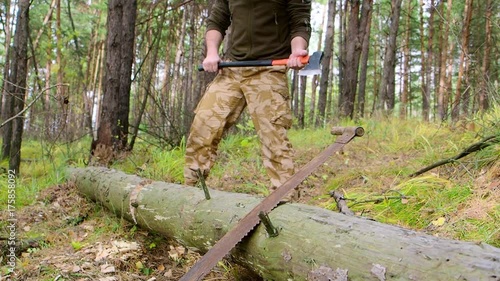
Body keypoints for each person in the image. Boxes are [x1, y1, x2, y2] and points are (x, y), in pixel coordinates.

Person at [184, 0, 312, 198]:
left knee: (274, 138)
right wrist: (211, 53)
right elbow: (217, 22)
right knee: (203, 124)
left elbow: (300, 23)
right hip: (233, 67)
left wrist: (297, 50)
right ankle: (190, 192)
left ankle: (285, 202)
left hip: (269, 69)